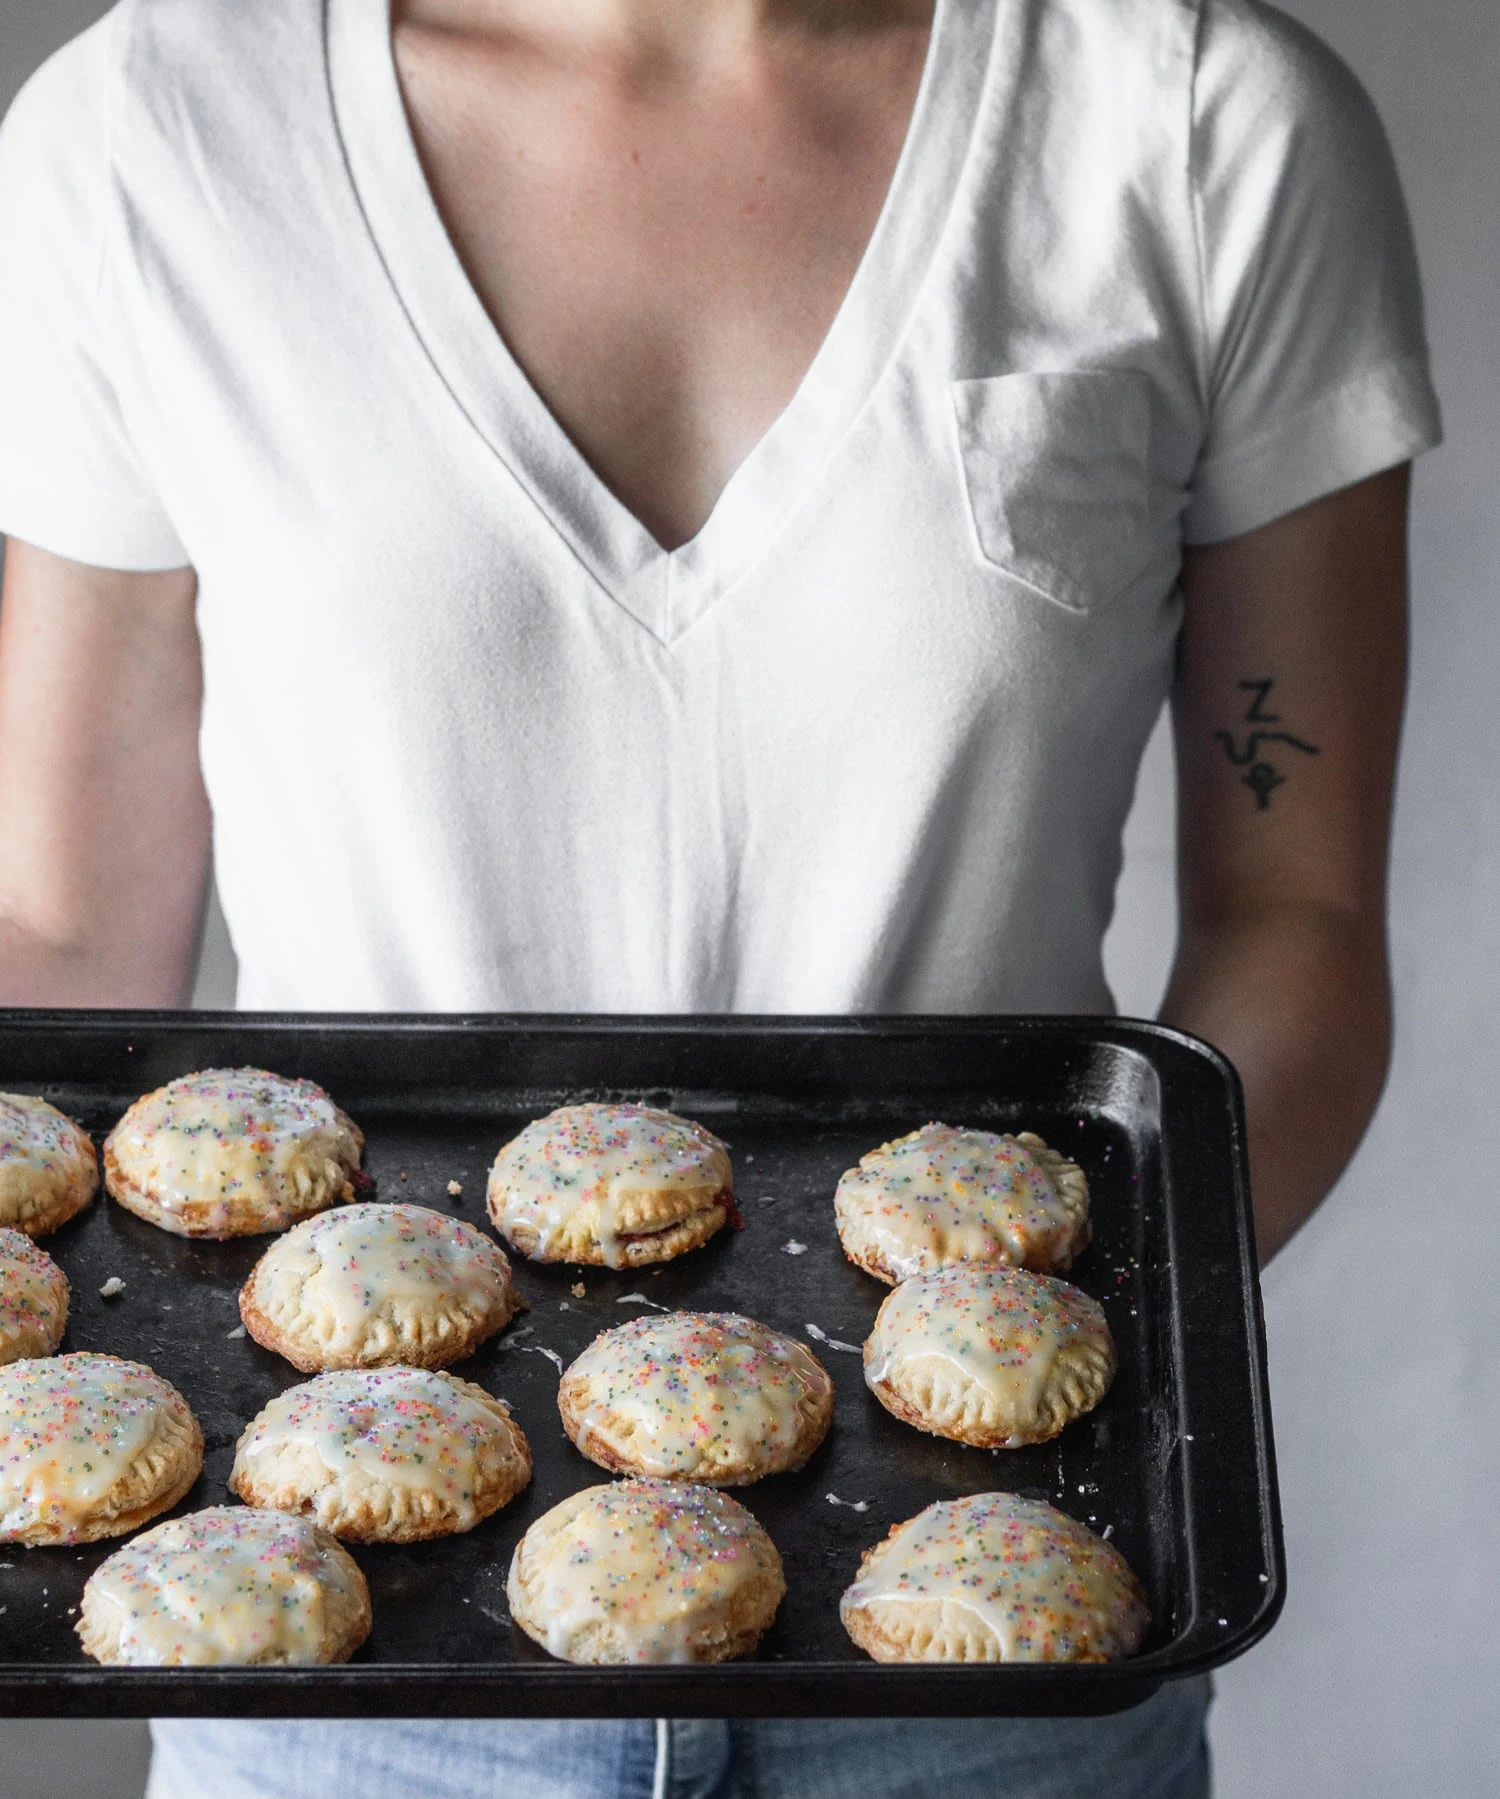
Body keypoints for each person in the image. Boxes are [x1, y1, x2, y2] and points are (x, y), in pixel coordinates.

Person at [0, 0, 1440, 1793]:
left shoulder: (1198, 124)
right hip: (341, 1667)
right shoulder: (152, 134)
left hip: (989, 1672)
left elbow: (1292, 912)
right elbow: (60, 942)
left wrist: (1084, 1325)